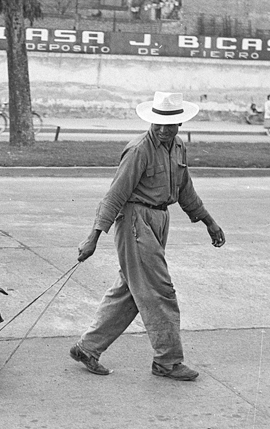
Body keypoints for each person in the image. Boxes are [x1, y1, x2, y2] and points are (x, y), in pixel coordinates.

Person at [69, 91, 226, 381]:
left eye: (170, 124)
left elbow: (185, 190)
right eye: (158, 123)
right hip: (135, 221)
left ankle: (87, 348)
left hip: (159, 219)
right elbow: (114, 195)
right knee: (160, 291)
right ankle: (167, 361)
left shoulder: (178, 147)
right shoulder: (139, 150)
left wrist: (209, 222)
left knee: (131, 290)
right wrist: (93, 237)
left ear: (180, 124)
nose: (163, 129)